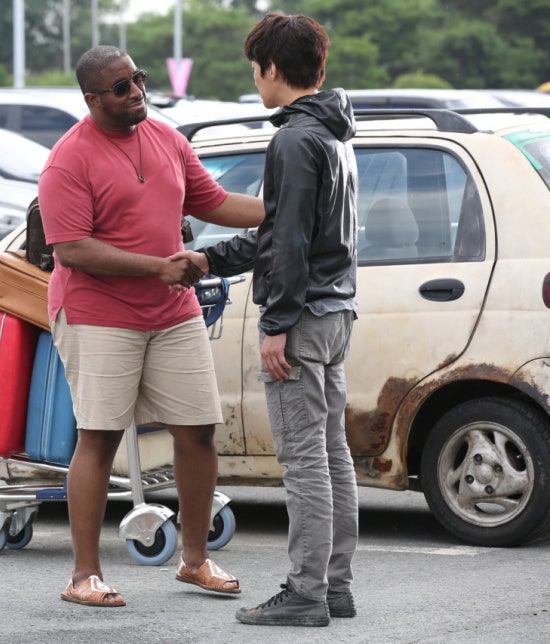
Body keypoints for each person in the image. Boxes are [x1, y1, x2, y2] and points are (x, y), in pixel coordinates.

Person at [37, 45, 265, 608]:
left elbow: (210, 201)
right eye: (121, 87)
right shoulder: (69, 159)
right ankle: (83, 575)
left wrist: (287, 207)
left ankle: (194, 561)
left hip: (171, 309)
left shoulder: (166, 137)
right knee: (100, 437)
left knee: (198, 429)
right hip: (98, 313)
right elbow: (70, 248)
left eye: (138, 79)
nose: (136, 91)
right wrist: (158, 267)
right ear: (92, 99)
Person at [178, 12, 360, 627]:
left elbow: (286, 246)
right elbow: (283, 231)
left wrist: (277, 323)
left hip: (302, 317)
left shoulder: (292, 139)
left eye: (256, 69)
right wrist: (208, 258)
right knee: (331, 454)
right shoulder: (336, 134)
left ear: (272, 69)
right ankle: (335, 586)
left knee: (306, 461)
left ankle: (306, 592)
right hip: (336, 310)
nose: (256, 80)